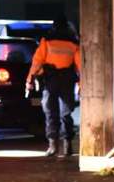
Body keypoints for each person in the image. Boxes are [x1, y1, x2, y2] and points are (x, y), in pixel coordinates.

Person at [26, 15, 82, 157]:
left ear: (54, 26)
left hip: (51, 80)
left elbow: (37, 62)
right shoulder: (73, 42)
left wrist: (30, 80)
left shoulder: (47, 41)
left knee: (50, 112)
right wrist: (81, 84)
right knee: (66, 112)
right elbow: (80, 66)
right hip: (67, 80)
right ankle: (67, 145)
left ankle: (52, 146)